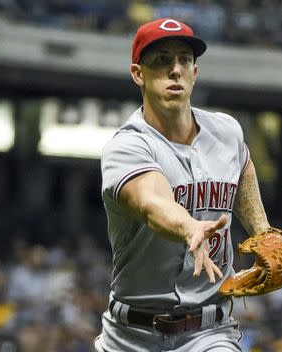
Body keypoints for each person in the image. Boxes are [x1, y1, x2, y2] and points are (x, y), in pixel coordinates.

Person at [95, 18, 272, 352]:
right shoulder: (127, 146)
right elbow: (151, 202)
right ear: (138, 74)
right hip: (132, 336)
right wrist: (189, 227)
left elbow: (243, 167)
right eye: (161, 60)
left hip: (209, 333)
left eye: (184, 60)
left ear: (195, 73)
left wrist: (262, 232)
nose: (175, 70)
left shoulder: (227, 131)